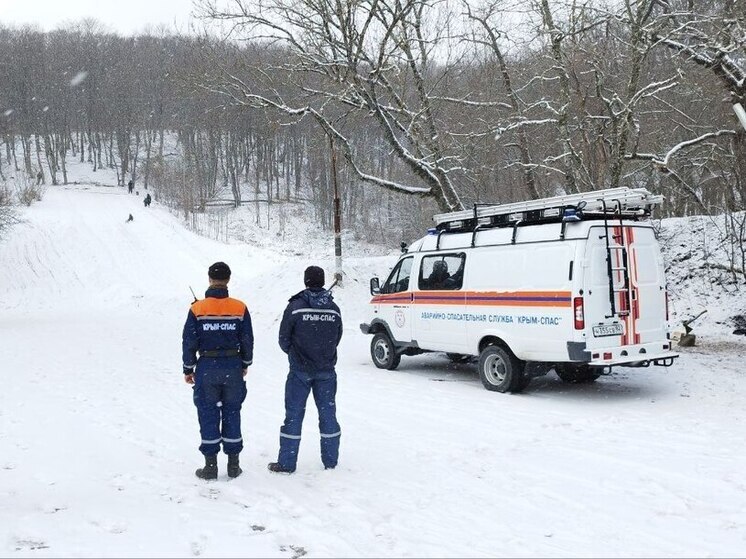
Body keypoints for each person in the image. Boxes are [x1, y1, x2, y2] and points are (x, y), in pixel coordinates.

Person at [182, 262, 254, 480]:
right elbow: (247, 339)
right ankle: (233, 464)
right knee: (232, 412)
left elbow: (189, 341)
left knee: (208, 413)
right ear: (228, 279)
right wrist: (244, 364)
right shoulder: (239, 308)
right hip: (232, 366)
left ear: (210, 279)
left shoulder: (197, 309)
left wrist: (188, 367)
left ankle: (210, 465)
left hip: (206, 368)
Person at [268, 266, 343, 474]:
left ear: (306, 281)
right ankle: (331, 461)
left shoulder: (295, 306)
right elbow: (337, 337)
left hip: (300, 371)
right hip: (326, 371)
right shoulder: (333, 308)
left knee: (293, 415)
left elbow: (284, 339)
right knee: (328, 414)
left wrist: (296, 355)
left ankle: (287, 462)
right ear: (322, 281)